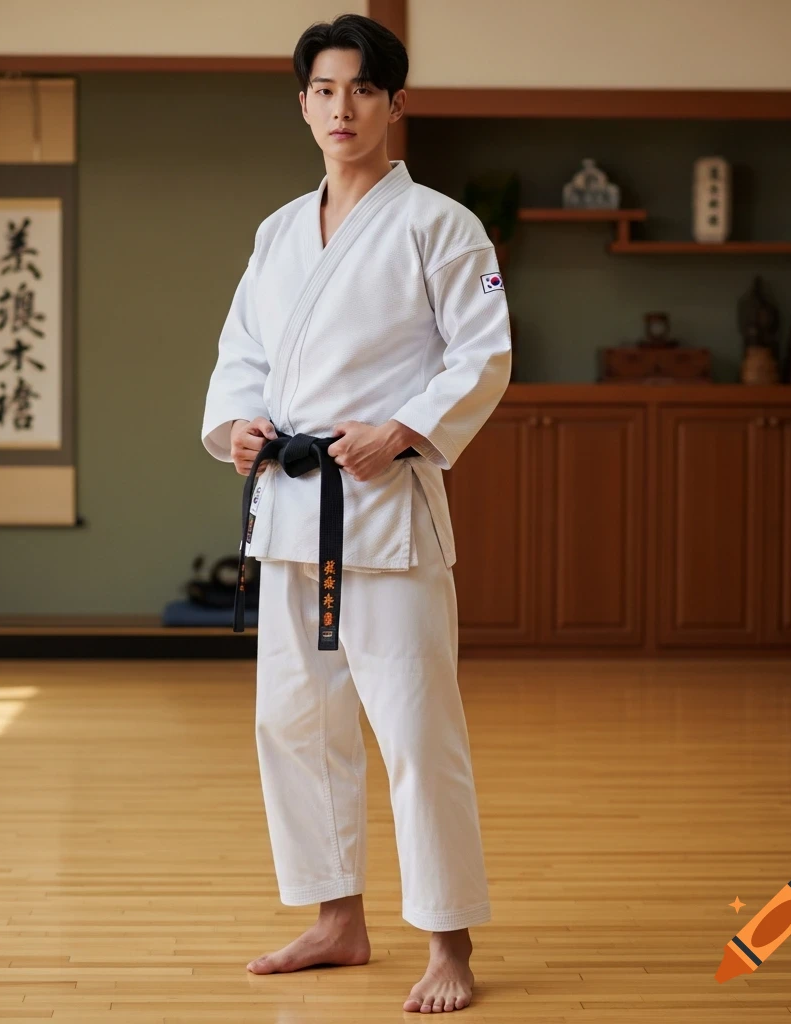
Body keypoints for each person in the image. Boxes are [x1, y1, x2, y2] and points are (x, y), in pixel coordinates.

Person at [200, 12, 512, 1014]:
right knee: (293, 725)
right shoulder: (279, 230)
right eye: (324, 91)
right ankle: (337, 919)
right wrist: (240, 425)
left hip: (382, 511)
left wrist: (406, 427)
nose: (342, 108)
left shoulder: (440, 225)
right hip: (289, 511)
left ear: (392, 104)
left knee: (418, 733)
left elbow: (482, 355)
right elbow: (242, 351)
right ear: (303, 104)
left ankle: (449, 942)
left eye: (362, 91)